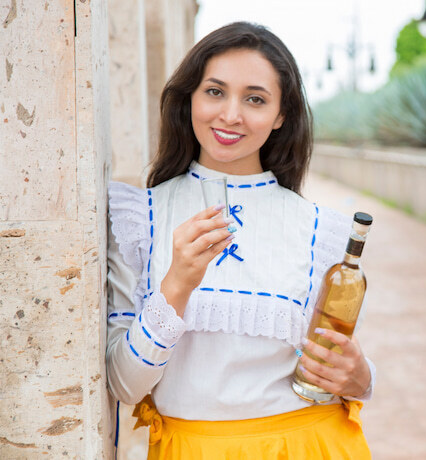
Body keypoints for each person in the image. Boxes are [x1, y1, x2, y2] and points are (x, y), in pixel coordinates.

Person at [106, 22, 375, 459]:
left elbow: (345, 371)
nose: (231, 115)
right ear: (190, 97)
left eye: (255, 99)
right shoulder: (140, 217)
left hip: (310, 444)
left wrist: (361, 377)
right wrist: (177, 284)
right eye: (215, 91)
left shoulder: (323, 231)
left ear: (281, 114)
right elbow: (123, 385)